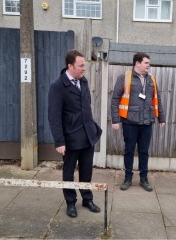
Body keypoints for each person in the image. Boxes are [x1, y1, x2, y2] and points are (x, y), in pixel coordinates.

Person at [48, 49, 102, 218]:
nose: (83, 68)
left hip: (88, 136)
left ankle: (87, 199)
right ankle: (70, 202)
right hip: (71, 138)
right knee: (69, 172)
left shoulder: (83, 81)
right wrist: (59, 141)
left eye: (84, 65)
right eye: (80, 65)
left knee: (87, 171)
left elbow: (86, 107)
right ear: (70, 66)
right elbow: (54, 116)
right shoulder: (57, 86)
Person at [111, 52, 165, 192]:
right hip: (129, 122)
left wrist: (161, 118)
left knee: (144, 152)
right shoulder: (125, 77)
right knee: (129, 151)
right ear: (137, 63)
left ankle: (144, 179)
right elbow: (115, 99)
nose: (149, 65)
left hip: (147, 122)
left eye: (148, 63)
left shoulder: (151, 79)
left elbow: (157, 99)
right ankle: (128, 178)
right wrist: (115, 120)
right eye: (146, 62)